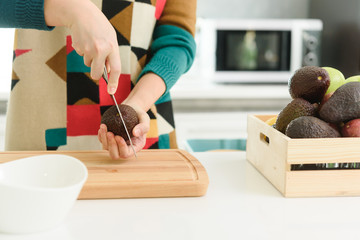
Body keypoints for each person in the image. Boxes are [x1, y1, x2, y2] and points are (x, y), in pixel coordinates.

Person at [0, 0, 196, 159]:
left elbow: (177, 41)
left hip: (141, 132)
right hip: (36, 132)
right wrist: (71, 9)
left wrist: (137, 104)